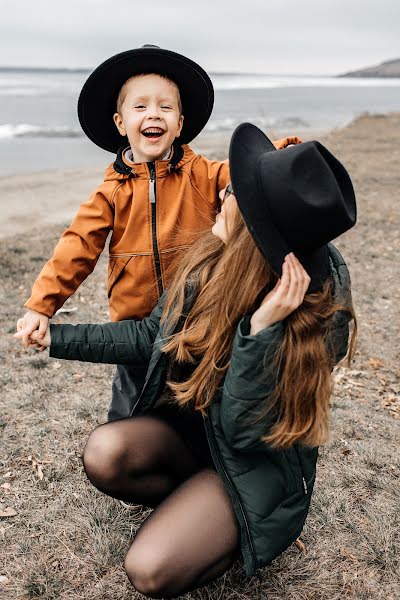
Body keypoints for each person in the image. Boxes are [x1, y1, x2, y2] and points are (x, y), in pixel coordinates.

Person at [16, 123, 357, 598]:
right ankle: (191, 503)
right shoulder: (212, 256)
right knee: (106, 452)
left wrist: (260, 330)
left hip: (248, 466)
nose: (221, 194)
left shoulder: (307, 317)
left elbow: (244, 432)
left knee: (150, 570)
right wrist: (56, 337)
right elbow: (152, 336)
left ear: (259, 223)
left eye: (235, 190)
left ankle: (223, 522)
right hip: (196, 436)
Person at [15, 45, 300, 422]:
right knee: (128, 419)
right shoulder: (111, 192)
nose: (154, 113)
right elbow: (77, 246)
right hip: (136, 331)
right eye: (141, 106)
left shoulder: (204, 175)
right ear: (121, 123)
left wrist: (286, 153)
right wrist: (41, 305)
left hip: (201, 320)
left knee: (199, 411)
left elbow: (249, 170)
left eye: (166, 107)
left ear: (179, 124)